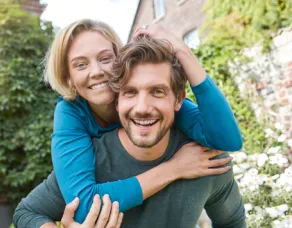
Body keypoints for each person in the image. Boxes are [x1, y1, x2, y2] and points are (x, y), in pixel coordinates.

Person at [13, 37, 246, 228]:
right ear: (117, 98)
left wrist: (180, 49)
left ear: (178, 98)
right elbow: (27, 213)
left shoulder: (204, 160)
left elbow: (233, 222)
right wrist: (174, 169)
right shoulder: (91, 161)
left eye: (157, 91)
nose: (143, 107)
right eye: (131, 92)